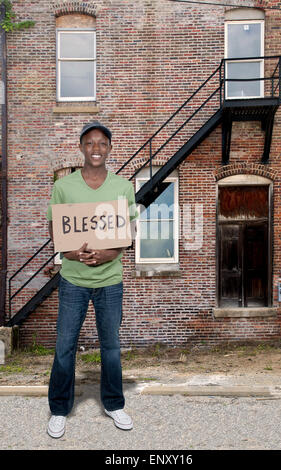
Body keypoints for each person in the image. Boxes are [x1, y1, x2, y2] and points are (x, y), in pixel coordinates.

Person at [46, 121, 137, 438]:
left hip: (110, 280)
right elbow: (55, 229)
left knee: (111, 346)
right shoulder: (64, 186)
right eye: (90, 143)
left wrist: (110, 254)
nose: (96, 148)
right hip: (73, 280)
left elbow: (129, 232)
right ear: (81, 147)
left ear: (109, 148)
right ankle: (59, 409)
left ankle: (114, 404)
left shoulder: (123, 186)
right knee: (64, 346)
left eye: (102, 143)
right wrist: (70, 254)